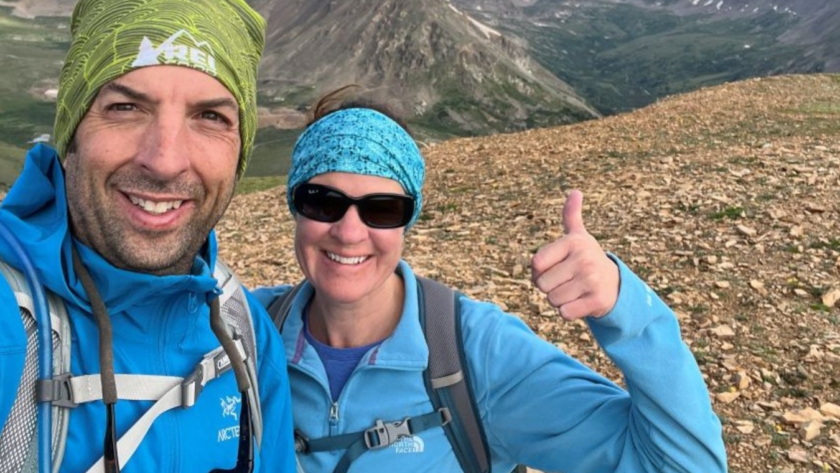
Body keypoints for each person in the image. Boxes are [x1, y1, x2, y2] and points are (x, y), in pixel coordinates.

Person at [253, 89, 728, 473]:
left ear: (407, 221)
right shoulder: (241, 336)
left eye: (381, 209)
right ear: (295, 206)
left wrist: (625, 310)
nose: (350, 231)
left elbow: (683, 466)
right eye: (322, 201)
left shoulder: (477, 356)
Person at [0, 0, 296, 471]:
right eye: (125, 107)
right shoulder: (10, 327)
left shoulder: (247, 332)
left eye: (211, 117)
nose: (164, 161)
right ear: (71, 131)